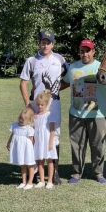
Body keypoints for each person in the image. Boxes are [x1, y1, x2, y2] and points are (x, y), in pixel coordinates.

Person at [61, 38, 106, 184]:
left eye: (87, 51)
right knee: (77, 145)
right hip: (76, 114)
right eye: (82, 51)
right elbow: (65, 83)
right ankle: (76, 173)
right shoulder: (73, 67)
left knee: (98, 145)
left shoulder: (100, 66)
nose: (84, 54)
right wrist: (47, 90)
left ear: (93, 51)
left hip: (98, 114)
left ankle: (98, 173)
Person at [19, 30, 68, 185]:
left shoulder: (59, 59)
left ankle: (54, 174)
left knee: (54, 135)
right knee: (34, 136)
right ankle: (34, 172)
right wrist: (28, 102)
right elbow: (23, 83)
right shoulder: (31, 60)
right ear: (39, 43)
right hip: (36, 104)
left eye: (48, 42)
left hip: (54, 104)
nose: (45, 45)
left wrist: (56, 90)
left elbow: (69, 77)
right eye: (43, 42)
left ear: (53, 44)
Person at [33, 90, 58, 189]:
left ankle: (50, 180)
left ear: (46, 104)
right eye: (38, 105)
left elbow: (52, 130)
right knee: (40, 161)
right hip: (39, 141)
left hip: (47, 141)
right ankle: (42, 180)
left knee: (49, 160)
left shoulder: (49, 115)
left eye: (42, 105)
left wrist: (50, 143)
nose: (40, 107)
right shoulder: (35, 116)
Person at [6, 107, 36, 190]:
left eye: (23, 119)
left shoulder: (28, 129)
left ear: (29, 120)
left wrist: (32, 150)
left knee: (30, 165)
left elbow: (31, 140)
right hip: (19, 149)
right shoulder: (15, 126)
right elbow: (12, 135)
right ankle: (23, 181)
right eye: (20, 118)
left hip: (27, 149)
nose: (21, 120)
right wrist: (9, 142)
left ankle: (30, 182)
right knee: (22, 165)